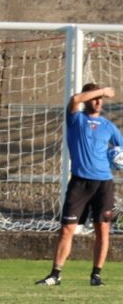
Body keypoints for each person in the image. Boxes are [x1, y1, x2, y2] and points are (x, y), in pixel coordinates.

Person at [36, 83, 123, 287]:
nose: (98, 101)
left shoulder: (108, 126)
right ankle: (55, 275)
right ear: (87, 99)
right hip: (79, 183)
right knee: (67, 229)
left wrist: (116, 159)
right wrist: (103, 91)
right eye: (94, 98)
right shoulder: (76, 119)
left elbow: (121, 149)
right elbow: (75, 99)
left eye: (100, 99)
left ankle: (96, 276)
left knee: (102, 229)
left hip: (104, 184)